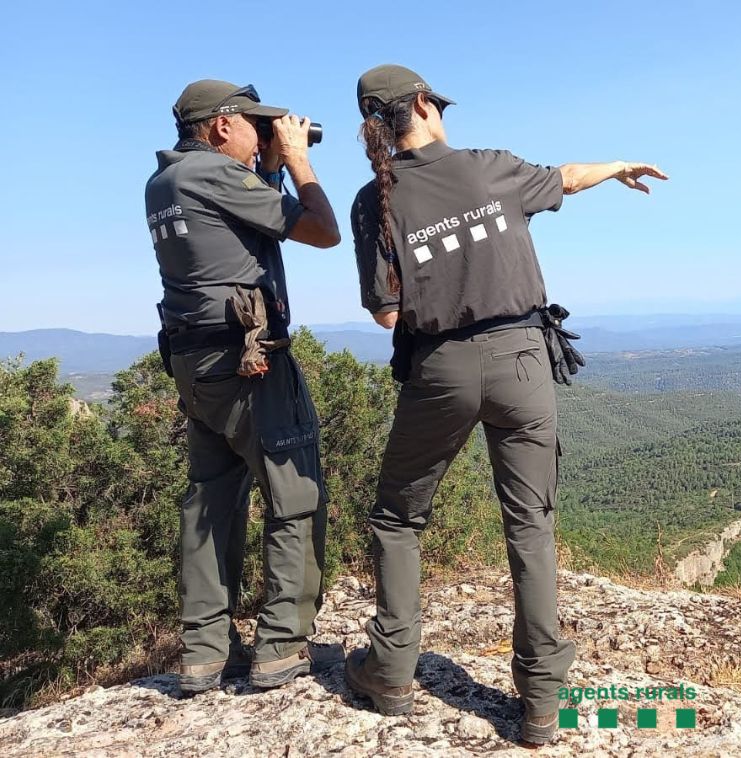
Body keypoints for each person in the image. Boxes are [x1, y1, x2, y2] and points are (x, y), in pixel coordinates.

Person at [343, 64, 666, 744]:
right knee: (530, 523)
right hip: (523, 358)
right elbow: (569, 176)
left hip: (441, 367)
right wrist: (620, 166)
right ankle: (542, 701)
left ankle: (393, 672)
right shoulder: (491, 167)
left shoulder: (375, 200)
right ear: (425, 105)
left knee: (399, 518)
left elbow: (385, 315)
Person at [144, 79, 341, 694]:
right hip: (250, 362)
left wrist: (271, 166)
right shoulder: (212, 174)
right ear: (223, 125)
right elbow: (321, 229)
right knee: (294, 491)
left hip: (194, 364)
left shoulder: (167, 181)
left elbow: (247, 231)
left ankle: (205, 651)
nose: (266, 136)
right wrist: (300, 162)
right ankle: (281, 645)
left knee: (211, 498)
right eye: (257, 125)